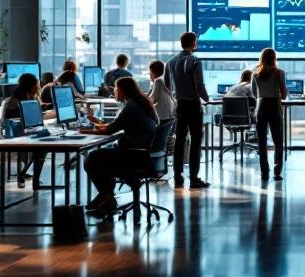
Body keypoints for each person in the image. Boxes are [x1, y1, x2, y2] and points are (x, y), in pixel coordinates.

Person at [81, 77, 159, 217]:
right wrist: (97, 124)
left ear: (122, 90)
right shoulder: (142, 103)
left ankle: (106, 196)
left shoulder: (131, 106)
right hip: (147, 156)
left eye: (116, 89)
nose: (115, 92)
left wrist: (84, 131)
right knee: (99, 156)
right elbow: (114, 127)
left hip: (136, 156)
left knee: (91, 158)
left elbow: (110, 130)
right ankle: (107, 197)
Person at [164, 31, 211, 190]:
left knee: (180, 140)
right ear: (193, 43)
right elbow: (199, 85)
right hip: (193, 105)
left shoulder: (170, 62)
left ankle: (178, 176)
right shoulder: (194, 60)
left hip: (180, 105)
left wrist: (176, 95)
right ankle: (194, 178)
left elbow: (166, 85)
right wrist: (207, 99)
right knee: (196, 141)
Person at [0, 73, 50, 189]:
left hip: (15, 131)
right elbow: (31, 118)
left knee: (45, 137)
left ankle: (24, 173)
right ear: (33, 85)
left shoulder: (18, 95)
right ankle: (34, 181)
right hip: (17, 134)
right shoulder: (24, 98)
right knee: (45, 144)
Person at [251, 49, 288, 182]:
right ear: (274, 58)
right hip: (274, 106)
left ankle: (264, 172)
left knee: (261, 142)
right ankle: (277, 172)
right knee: (278, 141)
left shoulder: (255, 74)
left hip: (261, 106)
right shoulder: (280, 73)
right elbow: (284, 94)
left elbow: (254, 94)